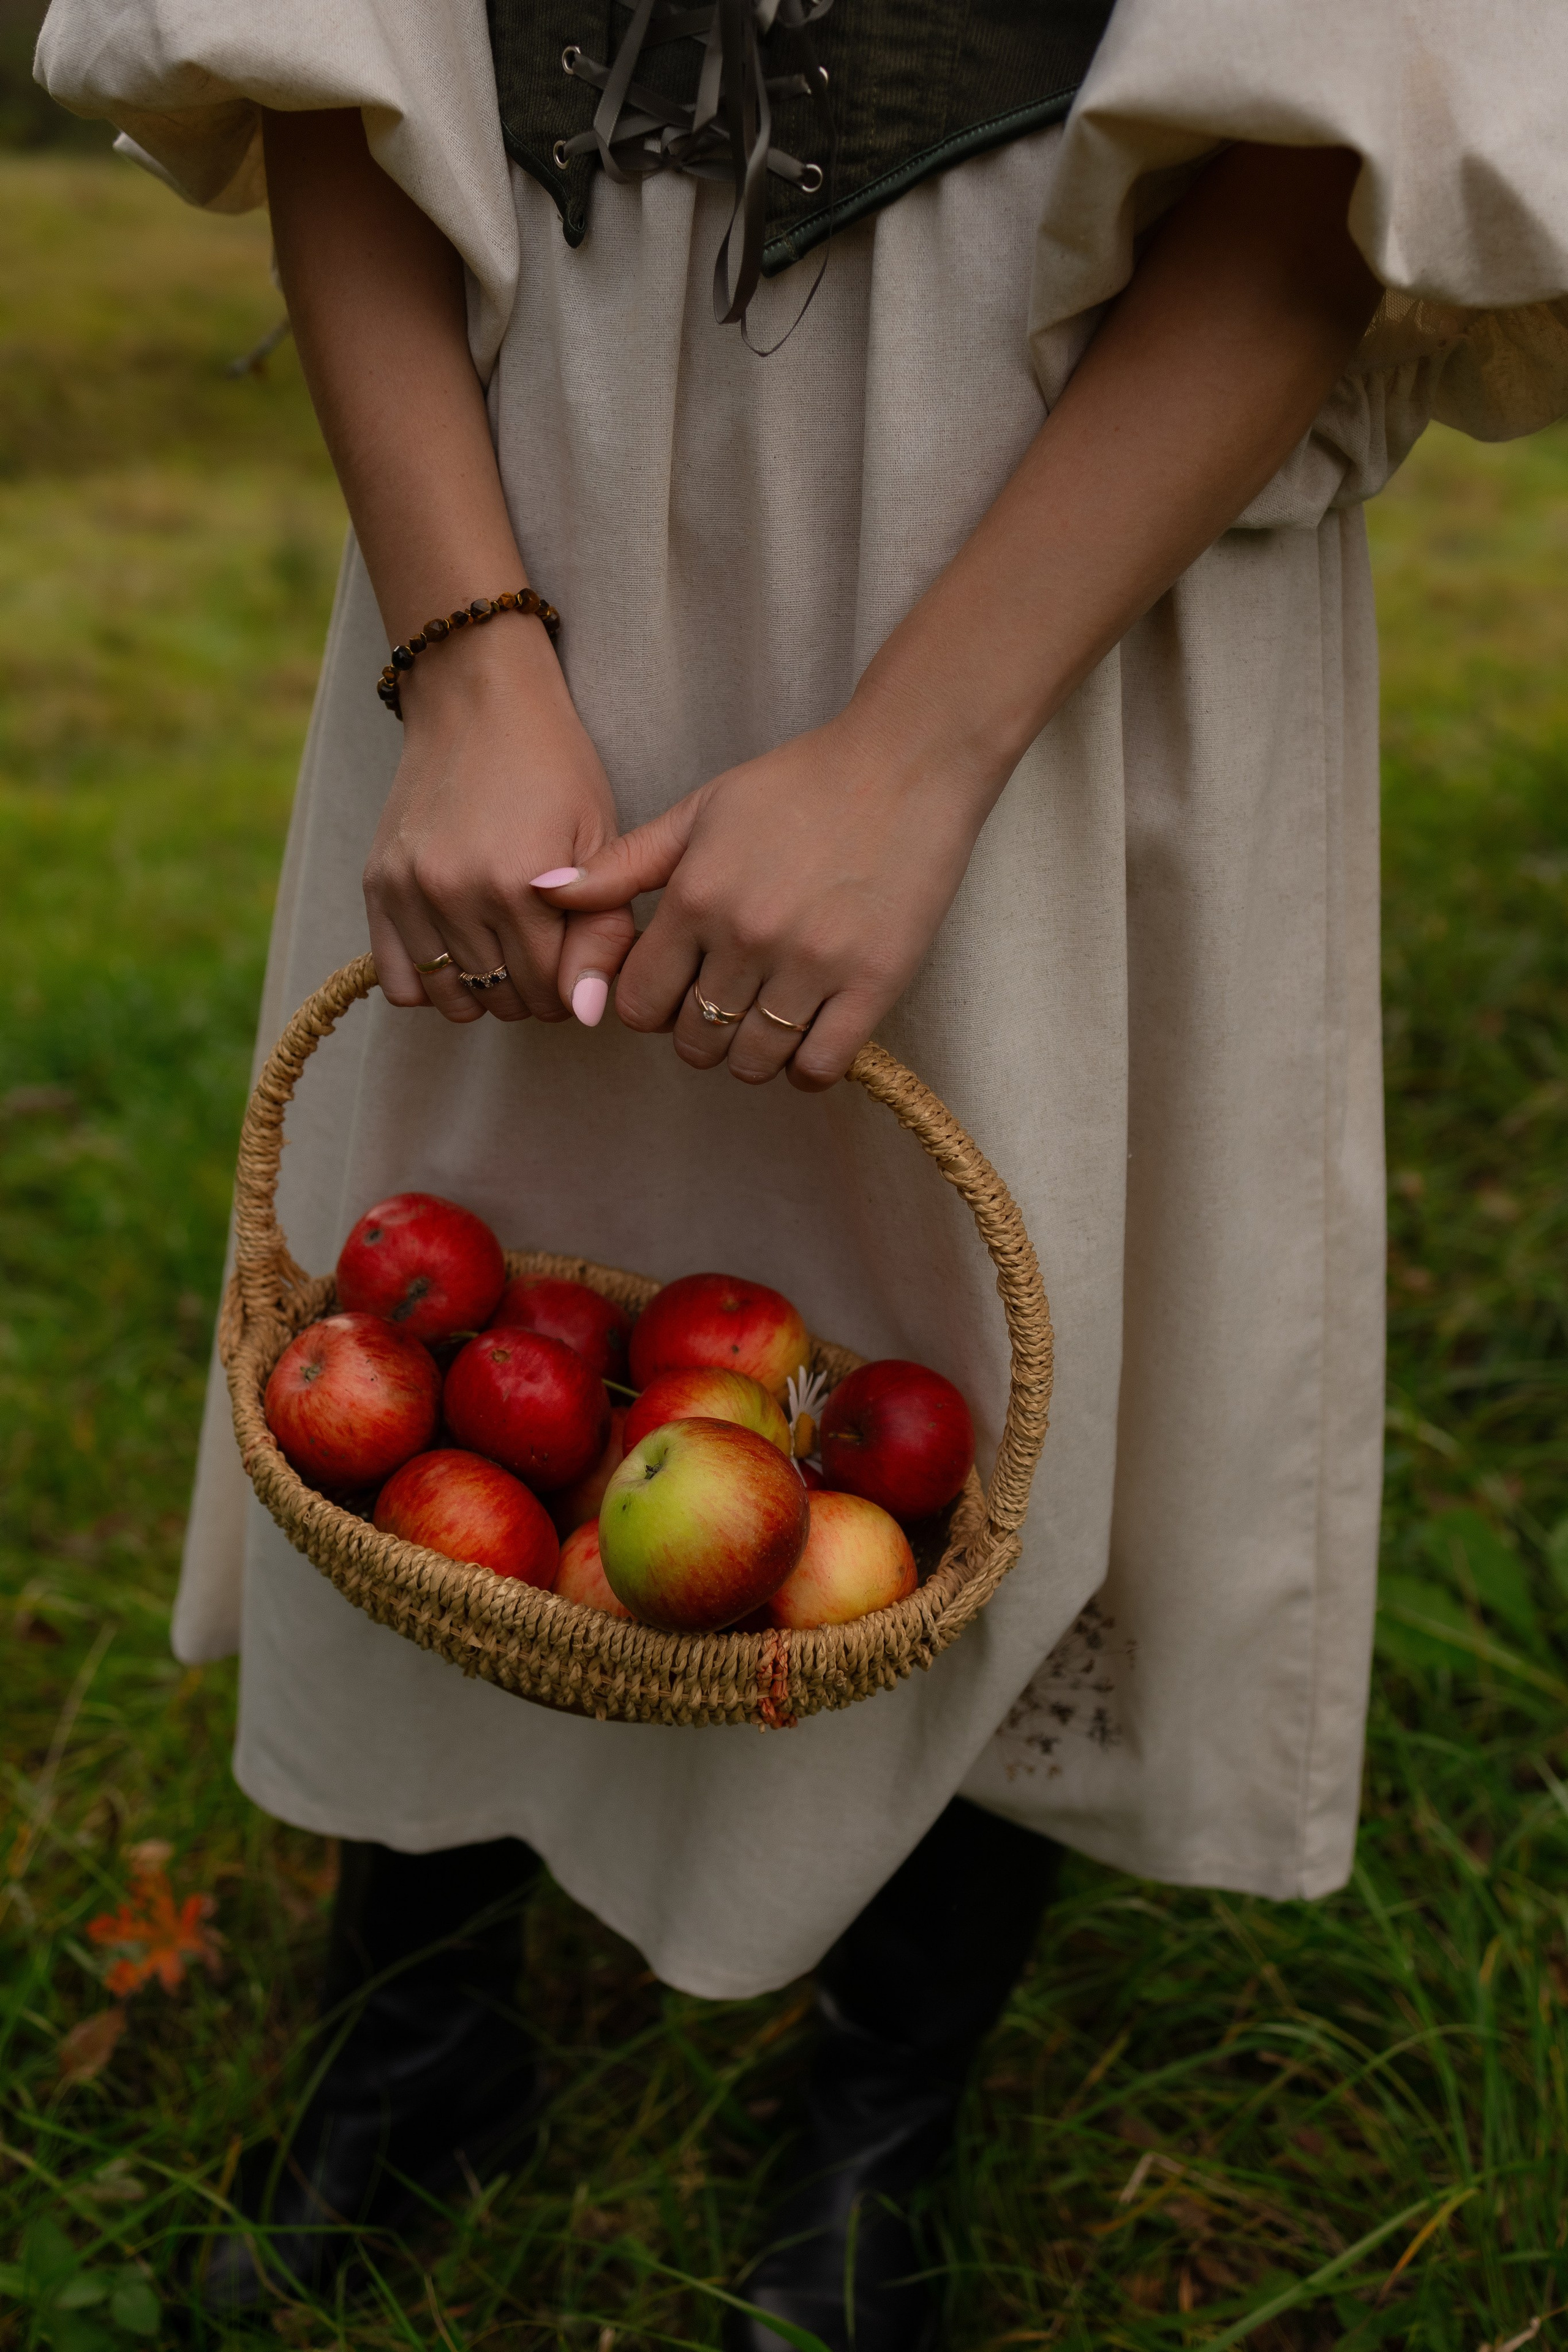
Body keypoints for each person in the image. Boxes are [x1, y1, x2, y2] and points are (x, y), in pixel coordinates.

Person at [37, 0, 1568, 2338]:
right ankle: (419, 2032)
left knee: (995, 1262)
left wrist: (920, 756)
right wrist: (466, 648)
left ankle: (882, 2097)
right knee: (460, 1247)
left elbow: (1325, 150)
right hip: (524, 453)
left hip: (1036, 469)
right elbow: (308, 40)